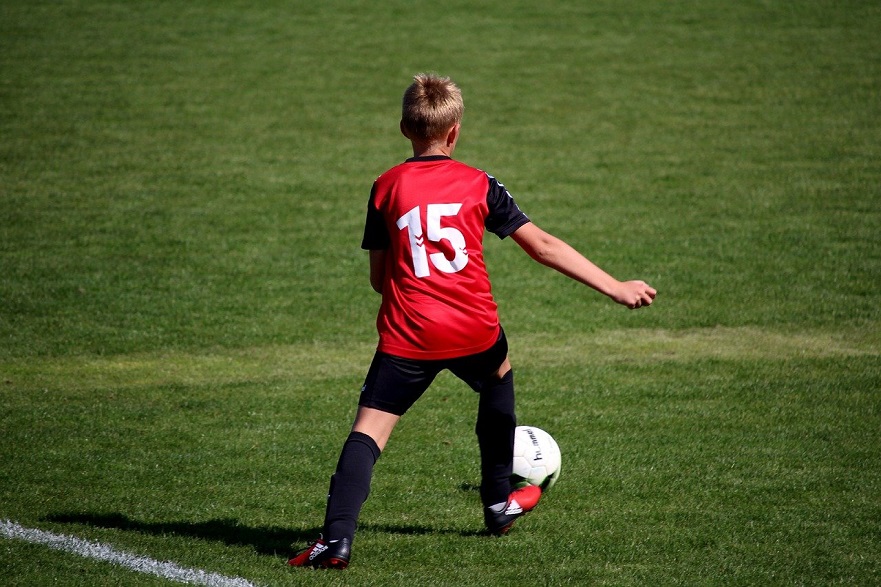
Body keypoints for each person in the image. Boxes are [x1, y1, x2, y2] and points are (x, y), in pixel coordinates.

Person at [289, 73, 656, 570]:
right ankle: (498, 503)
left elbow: (378, 280)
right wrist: (615, 286)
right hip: (473, 330)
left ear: (403, 128)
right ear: (455, 131)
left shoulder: (384, 187)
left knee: (369, 432)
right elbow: (543, 246)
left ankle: (336, 542)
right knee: (497, 380)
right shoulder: (479, 183)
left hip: (409, 335)